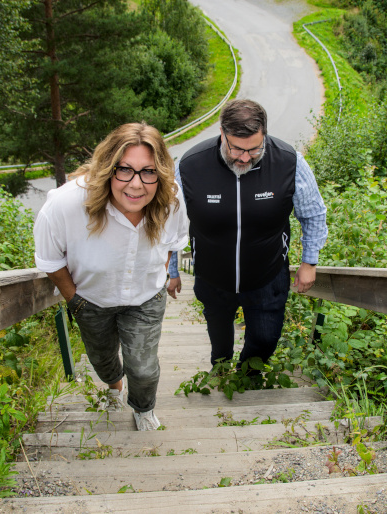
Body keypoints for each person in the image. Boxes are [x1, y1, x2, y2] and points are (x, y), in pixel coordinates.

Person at [34, 122, 188, 431]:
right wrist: (74, 300)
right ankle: (114, 385)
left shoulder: (171, 201)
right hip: (91, 300)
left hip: (145, 298)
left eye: (148, 172)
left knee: (143, 369)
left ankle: (143, 408)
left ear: (160, 172)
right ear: (107, 168)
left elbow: (171, 245)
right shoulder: (65, 205)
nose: (136, 184)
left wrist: (162, 274)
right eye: (125, 170)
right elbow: (50, 260)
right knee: (102, 360)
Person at [167, 99, 327, 369]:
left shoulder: (289, 162)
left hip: (268, 274)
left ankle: (246, 374)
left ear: (264, 134)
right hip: (213, 276)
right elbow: (170, 222)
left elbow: (313, 213)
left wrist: (309, 262)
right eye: (237, 149)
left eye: (254, 149)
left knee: (266, 339)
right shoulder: (190, 166)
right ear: (222, 134)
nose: (244, 158)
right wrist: (172, 271)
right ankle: (221, 365)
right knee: (219, 339)